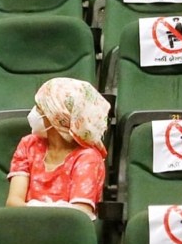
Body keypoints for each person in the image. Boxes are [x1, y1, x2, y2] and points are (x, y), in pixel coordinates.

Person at [6, 78, 110, 220]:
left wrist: (32, 208)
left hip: (66, 238)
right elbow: (13, 203)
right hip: (24, 230)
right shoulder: (28, 144)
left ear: (55, 116)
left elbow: (78, 215)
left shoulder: (88, 157)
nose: (34, 112)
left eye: (39, 107)